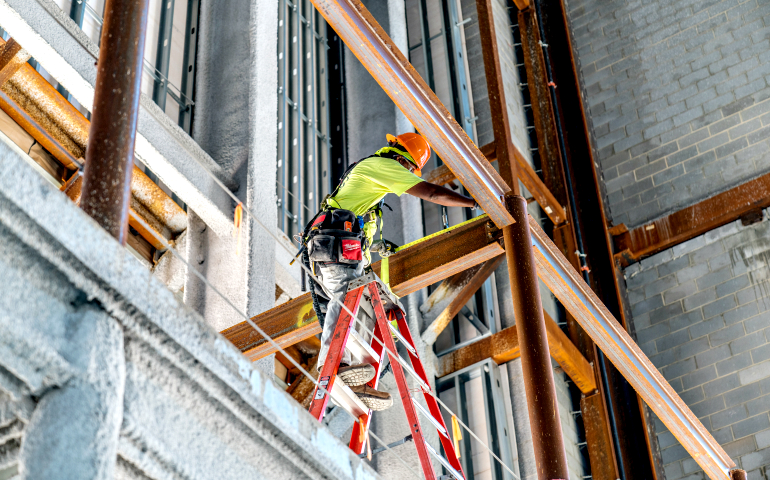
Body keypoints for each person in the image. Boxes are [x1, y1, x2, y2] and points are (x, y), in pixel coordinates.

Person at [303, 133, 477, 410]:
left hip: (340, 248)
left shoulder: (373, 177)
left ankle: (351, 375)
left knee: (358, 308)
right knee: (344, 306)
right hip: (334, 247)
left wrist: (376, 246)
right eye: (408, 169)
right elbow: (431, 192)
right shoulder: (381, 166)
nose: (405, 176)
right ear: (399, 158)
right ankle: (332, 364)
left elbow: (355, 217)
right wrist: (474, 202)